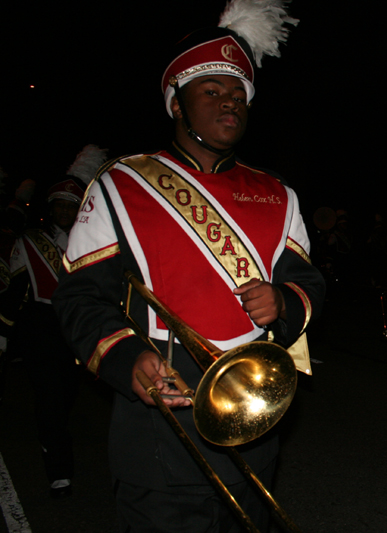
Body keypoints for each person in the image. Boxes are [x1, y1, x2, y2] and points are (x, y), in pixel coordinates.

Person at [52, 2, 323, 531]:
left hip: (253, 417)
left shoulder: (278, 194)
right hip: (159, 429)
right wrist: (126, 357)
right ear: (177, 104)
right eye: (213, 91)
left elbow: (308, 282)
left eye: (238, 93)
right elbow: (79, 297)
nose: (230, 103)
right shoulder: (120, 184)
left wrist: (285, 301)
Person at [0, 146, 105, 497]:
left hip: (76, 329)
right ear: (50, 208)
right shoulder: (30, 242)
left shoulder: (88, 243)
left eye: (70, 205)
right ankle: (58, 468)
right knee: (49, 400)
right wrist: (4, 332)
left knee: (67, 393)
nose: (64, 210)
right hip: (40, 327)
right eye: (59, 205)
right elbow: (15, 291)